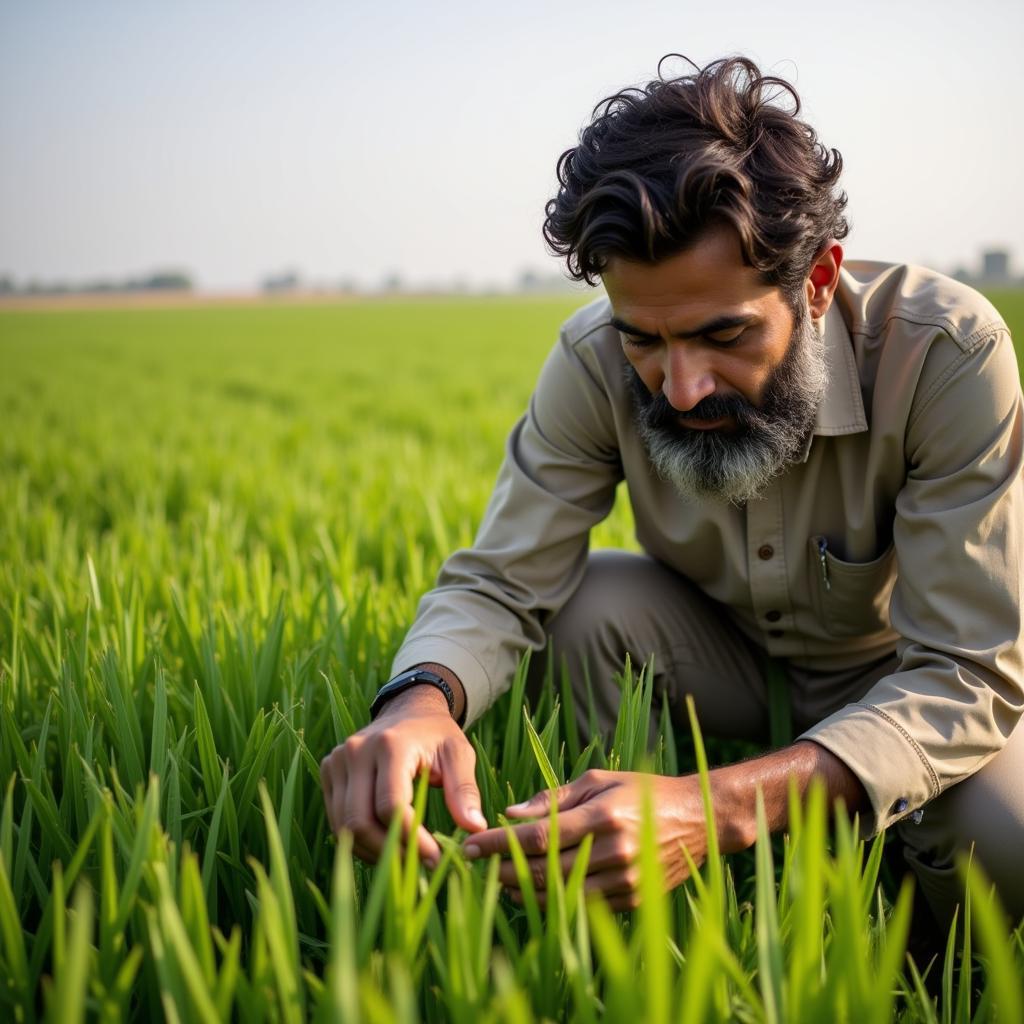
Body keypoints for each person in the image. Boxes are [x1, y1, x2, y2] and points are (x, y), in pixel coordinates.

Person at [319, 55, 1024, 926]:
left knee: (1008, 834)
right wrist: (418, 700)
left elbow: (966, 675)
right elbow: (502, 580)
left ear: (816, 280)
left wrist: (718, 805)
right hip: (726, 653)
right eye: (643, 340)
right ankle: (618, 902)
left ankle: (901, 943)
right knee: (585, 608)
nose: (679, 386)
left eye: (722, 333)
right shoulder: (591, 358)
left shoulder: (945, 354)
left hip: (898, 674)